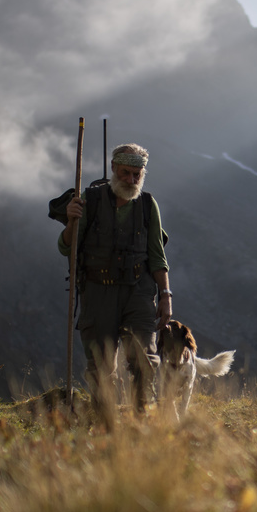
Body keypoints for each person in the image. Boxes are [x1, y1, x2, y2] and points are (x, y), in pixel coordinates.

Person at [58, 143, 172, 417]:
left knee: (145, 358)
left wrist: (166, 295)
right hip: (97, 292)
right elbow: (66, 248)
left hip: (138, 291)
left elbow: (157, 255)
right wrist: (72, 221)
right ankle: (104, 423)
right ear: (113, 169)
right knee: (101, 366)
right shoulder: (90, 200)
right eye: (125, 173)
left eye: (137, 174)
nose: (132, 180)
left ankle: (142, 418)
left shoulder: (147, 204)